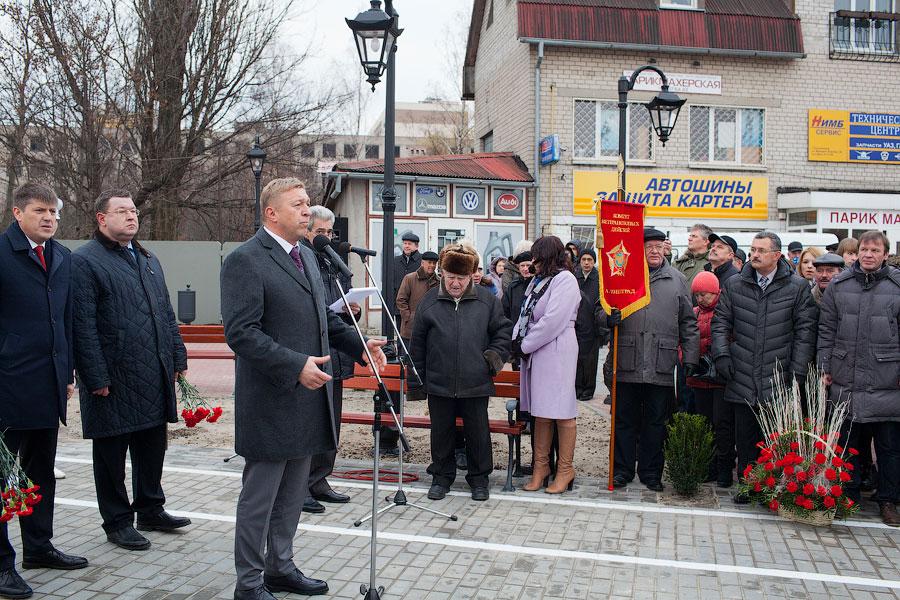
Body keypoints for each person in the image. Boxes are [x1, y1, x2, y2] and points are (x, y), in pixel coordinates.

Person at [221, 177, 387, 600]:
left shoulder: (308, 258)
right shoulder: (246, 260)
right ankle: (249, 583)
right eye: (298, 205)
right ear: (271, 212)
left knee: (294, 494)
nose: (307, 211)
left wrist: (361, 345)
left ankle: (280, 567)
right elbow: (241, 333)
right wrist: (295, 366)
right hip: (272, 401)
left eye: (308, 204)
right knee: (260, 499)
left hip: (307, 402)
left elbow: (325, 321)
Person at [72, 189, 190, 551]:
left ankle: (151, 509)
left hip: (152, 371)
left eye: (134, 211)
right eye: (121, 211)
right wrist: (95, 376)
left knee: (152, 445)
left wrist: (177, 356)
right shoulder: (85, 261)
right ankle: (117, 521)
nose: (131, 216)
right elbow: (82, 324)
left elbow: (165, 313)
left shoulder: (147, 258)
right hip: (113, 376)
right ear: (101, 219)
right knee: (110, 452)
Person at [0, 183, 87, 599]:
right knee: (2, 480)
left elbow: (66, 320)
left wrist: (67, 371)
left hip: (47, 385)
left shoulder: (62, 258)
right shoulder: (2, 256)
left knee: (40, 476)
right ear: (18, 213)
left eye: (53, 211)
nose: (49, 217)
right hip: (6, 386)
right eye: (39, 210)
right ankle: (2, 564)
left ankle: (38, 546)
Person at [711, 231, 818, 503]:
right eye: (753, 249)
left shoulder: (796, 287)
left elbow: (805, 332)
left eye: (761, 250)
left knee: (774, 436)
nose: (754, 254)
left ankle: (772, 487)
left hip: (778, 373)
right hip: (742, 371)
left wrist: (798, 371)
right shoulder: (736, 284)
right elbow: (721, 322)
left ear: (777, 255)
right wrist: (722, 355)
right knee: (744, 436)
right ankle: (748, 485)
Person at [410, 243, 510, 502]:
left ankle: (479, 479)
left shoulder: (487, 301)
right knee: (441, 433)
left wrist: (492, 359)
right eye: (451, 277)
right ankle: (441, 477)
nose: (455, 283)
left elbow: (502, 333)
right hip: (439, 381)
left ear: (471, 276)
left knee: (478, 433)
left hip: (475, 381)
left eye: (461, 278)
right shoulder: (429, 301)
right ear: (442, 274)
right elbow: (417, 343)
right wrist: (417, 380)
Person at [607, 228, 700, 491]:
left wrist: (691, 357)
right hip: (627, 359)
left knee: (656, 422)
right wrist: (607, 317)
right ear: (640, 250)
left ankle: (650, 473)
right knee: (624, 420)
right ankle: (622, 470)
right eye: (650, 247)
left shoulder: (678, 280)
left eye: (659, 246)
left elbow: (689, 323)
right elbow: (599, 308)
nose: (655, 251)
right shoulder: (622, 274)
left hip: (662, 362)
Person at [818, 230, 900, 527]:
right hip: (846, 376)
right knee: (846, 443)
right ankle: (846, 494)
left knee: (889, 446)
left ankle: (888, 499)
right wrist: (825, 364)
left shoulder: (897, 285)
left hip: (887, 379)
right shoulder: (839, 285)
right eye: (864, 249)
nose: (868, 254)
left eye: (875, 250)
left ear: (885, 254)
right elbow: (826, 330)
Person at [299, 206, 360, 514]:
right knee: (311, 422)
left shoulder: (333, 262)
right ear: (306, 232)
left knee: (331, 421)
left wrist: (352, 310)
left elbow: (341, 299)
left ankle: (321, 478)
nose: (325, 238)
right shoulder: (299, 261)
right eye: (318, 232)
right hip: (312, 354)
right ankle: (301, 486)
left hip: (335, 352)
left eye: (329, 232)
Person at [516, 236, 582, 494]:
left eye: (538, 257)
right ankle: (540, 467)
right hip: (537, 350)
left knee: (562, 410)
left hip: (557, 349)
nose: (534, 262)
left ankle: (565, 469)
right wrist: (516, 339)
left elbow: (552, 320)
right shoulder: (537, 280)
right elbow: (525, 313)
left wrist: (524, 344)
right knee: (541, 411)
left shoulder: (565, 280)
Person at [685, 271, 733, 487]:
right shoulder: (693, 313)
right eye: (697, 295)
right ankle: (708, 466)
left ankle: (724, 468)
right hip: (700, 377)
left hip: (721, 378)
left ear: (715, 292)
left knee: (722, 424)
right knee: (704, 424)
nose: (701, 299)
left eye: (705, 294)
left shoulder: (725, 311)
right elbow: (685, 339)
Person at [395, 250, 439, 344]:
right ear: (422, 263)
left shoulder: (439, 281)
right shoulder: (410, 278)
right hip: (411, 328)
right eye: (429, 262)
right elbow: (401, 300)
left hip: (432, 327)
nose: (432, 265)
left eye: (434, 263)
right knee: (409, 356)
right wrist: (409, 317)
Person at [574, 249, 601, 401]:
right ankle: (577, 387)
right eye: (584, 259)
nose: (586, 262)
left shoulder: (598, 279)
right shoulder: (574, 277)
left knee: (590, 360)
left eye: (589, 259)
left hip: (592, 325)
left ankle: (588, 389)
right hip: (576, 324)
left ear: (594, 261)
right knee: (576, 358)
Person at [391, 231, 421, 327]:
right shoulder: (395, 261)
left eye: (409, 244)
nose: (406, 246)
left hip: (416, 307)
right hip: (399, 307)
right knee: (400, 335)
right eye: (405, 243)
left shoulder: (422, 261)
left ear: (416, 246)